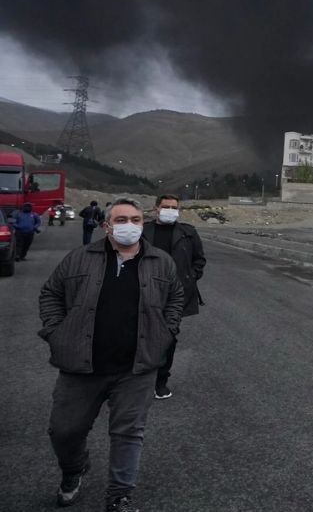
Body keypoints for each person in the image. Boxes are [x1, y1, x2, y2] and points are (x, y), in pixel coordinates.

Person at [38, 197, 184, 512]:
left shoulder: (161, 262)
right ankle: (74, 469)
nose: (129, 225)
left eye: (135, 219)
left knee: (129, 433)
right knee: (64, 431)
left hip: (137, 366)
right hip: (81, 365)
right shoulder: (79, 259)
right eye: (121, 220)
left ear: (142, 224)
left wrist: (166, 332)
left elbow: (175, 297)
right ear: (106, 226)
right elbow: (51, 293)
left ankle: (119, 495)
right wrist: (56, 331)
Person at [142, 194, 206, 400]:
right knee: (139, 334)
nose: (170, 210)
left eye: (174, 207)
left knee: (168, 337)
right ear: (156, 209)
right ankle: (136, 379)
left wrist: (190, 278)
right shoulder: (143, 230)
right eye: (166, 206)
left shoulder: (187, 232)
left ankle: (161, 380)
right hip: (143, 291)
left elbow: (199, 260)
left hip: (175, 295)